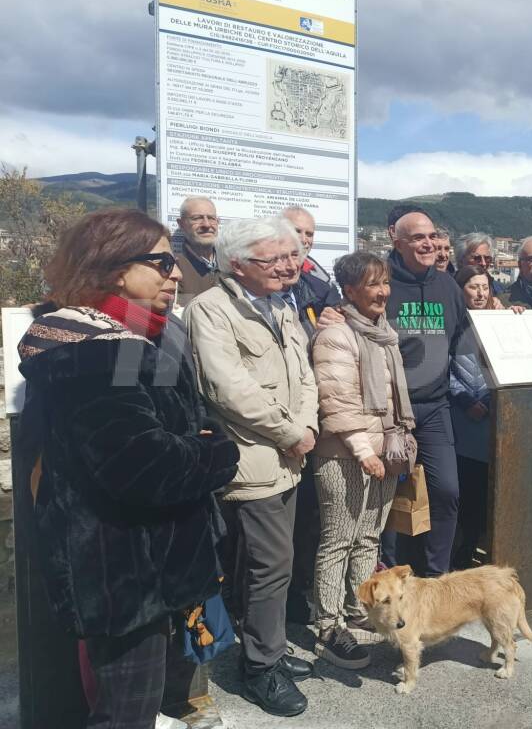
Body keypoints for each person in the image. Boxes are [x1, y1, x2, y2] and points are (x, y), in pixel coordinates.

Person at [16, 208, 240, 729]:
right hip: (120, 567)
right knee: (126, 710)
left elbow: (177, 416)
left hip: (153, 554)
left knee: (143, 695)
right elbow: (143, 463)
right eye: (162, 263)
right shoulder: (97, 350)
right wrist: (219, 454)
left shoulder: (145, 332)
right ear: (116, 269)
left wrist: (195, 442)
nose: (177, 273)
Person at [185, 218, 319, 717]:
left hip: (290, 453)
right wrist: (291, 433)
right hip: (254, 457)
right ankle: (261, 668)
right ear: (237, 264)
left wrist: (305, 426)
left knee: (269, 564)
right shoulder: (211, 310)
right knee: (270, 566)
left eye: (291, 256)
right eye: (274, 259)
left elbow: (304, 375)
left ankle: (268, 648)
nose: (289, 266)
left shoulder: (281, 303)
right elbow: (227, 389)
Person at [310, 251, 415, 670]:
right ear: (349, 290)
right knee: (338, 539)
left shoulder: (382, 332)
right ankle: (328, 623)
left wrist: (389, 447)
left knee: (369, 537)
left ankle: (359, 609)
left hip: (384, 449)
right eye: (373, 284)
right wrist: (363, 451)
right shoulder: (336, 334)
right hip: (346, 454)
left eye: (385, 282)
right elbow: (335, 399)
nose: (382, 291)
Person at [383, 207, 470, 576]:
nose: (429, 243)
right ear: (396, 239)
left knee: (447, 492)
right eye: (419, 237)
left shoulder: (447, 285)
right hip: (388, 408)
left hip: (435, 408)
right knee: (385, 497)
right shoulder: (381, 280)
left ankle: (437, 576)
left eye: (433, 236)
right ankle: (385, 573)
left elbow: (465, 339)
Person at [280, 208, 342, 624]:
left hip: (313, 413)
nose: (303, 239)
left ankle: (299, 592)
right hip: (274, 423)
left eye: (309, 233)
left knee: (309, 515)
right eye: (295, 231)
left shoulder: (319, 288)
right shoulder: (231, 295)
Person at [449, 266, 511, 569]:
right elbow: (442, 369)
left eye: (485, 287)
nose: (480, 293)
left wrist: (489, 398)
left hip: (493, 414)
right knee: (466, 487)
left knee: (488, 489)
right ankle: (463, 546)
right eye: (473, 287)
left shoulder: (501, 322)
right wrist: (464, 400)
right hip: (463, 416)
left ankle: (484, 545)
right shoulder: (452, 323)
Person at [174, 196, 220, 302]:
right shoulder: (174, 269)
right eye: (197, 218)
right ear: (181, 224)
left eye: (211, 218)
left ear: (217, 222)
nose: (206, 224)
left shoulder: (231, 266)